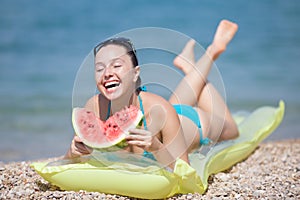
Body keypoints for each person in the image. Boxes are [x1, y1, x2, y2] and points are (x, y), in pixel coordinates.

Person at [65, 20, 239, 169]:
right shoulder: (94, 107)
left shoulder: (159, 107)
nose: (107, 73)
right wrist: (73, 154)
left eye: (116, 65)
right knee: (168, 107)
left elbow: (185, 171)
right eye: (99, 69)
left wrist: (156, 146)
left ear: (135, 73)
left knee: (232, 130)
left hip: (194, 122)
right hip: (169, 114)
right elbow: (66, 162)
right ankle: (188, 66)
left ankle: (213, 50)